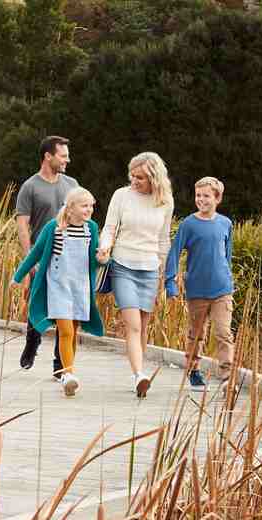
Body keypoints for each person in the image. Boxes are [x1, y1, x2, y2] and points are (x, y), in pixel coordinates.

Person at [10, 187, 105, 397]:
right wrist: (18, 277)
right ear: (70, 208)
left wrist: (102, 260)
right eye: (84, 206)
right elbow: (35, 254)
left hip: (80, 287)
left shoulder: (92, 229)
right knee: (65, 331)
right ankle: (69, 375)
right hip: (58, 287)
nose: (89, 210)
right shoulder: (54, 227)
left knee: (73, 331)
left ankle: (65, 371)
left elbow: (94, 260)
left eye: (91, 206)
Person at [96, 152, 173, 398]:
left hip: (149, 269)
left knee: (143, 325)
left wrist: (162, 271)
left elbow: (163, 239)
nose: (134, 181)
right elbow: (109, 227)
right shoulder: (121, 196)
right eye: (132, 175)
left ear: (154, 178)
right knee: (133, 324)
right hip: (122, 265)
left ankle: (137, 373)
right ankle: (140, 374)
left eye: (140, 177)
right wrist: (104, 246)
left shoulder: (165, 201)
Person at [14, 135, 79, 379]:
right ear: (48, 156)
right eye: (63, 155)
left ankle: (60, 365)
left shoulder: (72, 184)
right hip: (42, 255)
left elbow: (82, 216)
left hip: (69, 257)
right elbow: (23, 225)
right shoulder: (30, 187)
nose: (67, 160)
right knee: (37, 304)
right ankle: (32, 340)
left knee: (68, 312)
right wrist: (30, 259)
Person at [165, 176, 235, 390]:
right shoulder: (189, 224)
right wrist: (170, 282)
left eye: (206, 195)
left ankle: (227, 377)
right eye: (198, 195)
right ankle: (193, 369)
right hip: (197, 290)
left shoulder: (226, 223)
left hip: (222, 289)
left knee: (223, 332)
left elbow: (227, 254)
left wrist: (229, 277)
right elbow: (174, 253)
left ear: (217, 198)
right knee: (197, 333)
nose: (201, 199)